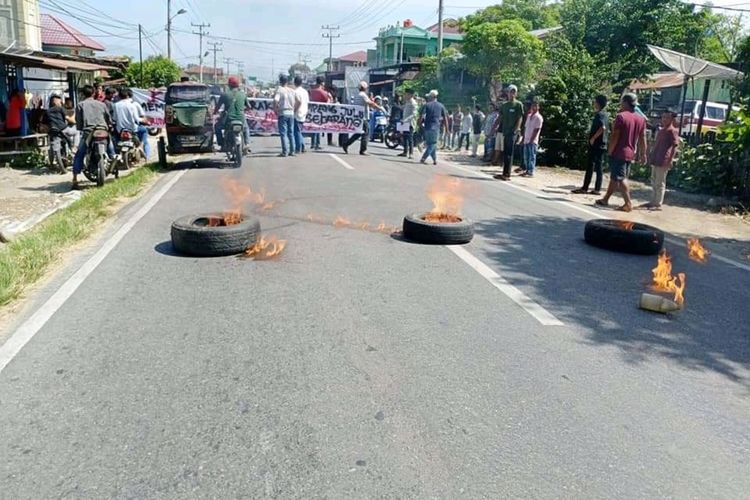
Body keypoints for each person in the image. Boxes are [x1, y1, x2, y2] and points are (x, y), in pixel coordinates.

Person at [595, 93, 647, 212]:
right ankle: (605, 199)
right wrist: (643, 154)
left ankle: (628, 203)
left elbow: (615, 136)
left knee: (621, 178)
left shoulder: (621, 116)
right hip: (630, 152)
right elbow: (642, 138)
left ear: (625, 102)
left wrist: (610, 149)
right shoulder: (641, 119)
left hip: (619, 152)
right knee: (615, 176)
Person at [72, 85, 112, 189]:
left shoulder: (80, 105)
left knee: (79, 154)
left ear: (82, 94)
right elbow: (108, 118)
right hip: (102, 130)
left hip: (89, 132)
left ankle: (75, 178)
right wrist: (108, 125)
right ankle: (114, 159)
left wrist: (81, 128)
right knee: (111, 146)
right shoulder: (102, 104)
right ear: (94, 93)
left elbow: (79, 123)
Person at [572, 95, 609, 195]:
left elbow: (603, 128)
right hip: (603, 144)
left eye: (595, 101)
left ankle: (585, 188)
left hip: (596, 144)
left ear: (598, 103)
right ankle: (597, 189)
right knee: (599, 166)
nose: (594, 103)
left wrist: (593, 138)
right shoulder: (605, 114)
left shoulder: (599, 115)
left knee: (590, 165)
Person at [645, 111, 679, 210]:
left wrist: (670, 160)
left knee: (660, 183)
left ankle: (658, 203)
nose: (664, 119)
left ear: (672, 119)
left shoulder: (672, 131)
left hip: (664, 159)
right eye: (663, 117)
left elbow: (675, 146)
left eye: (667, 118)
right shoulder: (661, 130)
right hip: (656, 158)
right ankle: (653, 201)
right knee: (654, 180)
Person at [342, 81, 384, 155]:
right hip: (363, 117)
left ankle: (346, 144)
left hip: (358, 116)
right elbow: (370, 103)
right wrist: (379, 108)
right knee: (366, 132)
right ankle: (363, 150)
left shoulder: (357, 95)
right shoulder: (363, 95)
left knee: (359, 133)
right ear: (364, 88)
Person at [493, 84, 524, 181]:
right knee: (505, 152)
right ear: (507, 93)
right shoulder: (505, 105)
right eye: (510, 91)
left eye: (514, 91)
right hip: (505, 132)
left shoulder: (518, 104)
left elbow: (520, 118)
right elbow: (500, 117)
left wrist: (516, 129)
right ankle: (504, 173)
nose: (512, 93)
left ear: (516, 93)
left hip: (512, 133)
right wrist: (494, 127)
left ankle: (507, 175)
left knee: (509, 153)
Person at [112, 87, 150, 160]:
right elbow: (136, 119)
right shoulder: (132, 105)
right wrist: (145, 121)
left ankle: (115, 156)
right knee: (144, 131)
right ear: (129, 95)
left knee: (115, 139)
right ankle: (145, 154)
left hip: (120, 130)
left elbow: (114, 119)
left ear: (120, 96)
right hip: (133, 129)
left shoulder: (115, 105)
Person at [216, 76, 249, 153]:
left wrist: (215, 113)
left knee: (217, 127)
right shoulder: (243, 94)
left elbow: (217, 107)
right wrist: (243, 110)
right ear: (238, 85)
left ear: (229, 85)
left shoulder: (224, 95)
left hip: (228, 119)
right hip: (241, 118)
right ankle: (247, 144)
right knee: (246, 128)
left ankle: (221, 144)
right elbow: (249, 107)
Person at [419, 90, 448, 166]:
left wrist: (419, 124)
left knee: (430, 144)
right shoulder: (441, 105)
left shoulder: (426, 105)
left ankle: (434, 159)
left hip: (427, 127)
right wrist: (447, 129)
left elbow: (421, 116)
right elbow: (445, 118)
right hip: (435, 128)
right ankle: (423, 158)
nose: (428, 98)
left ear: (432, 97)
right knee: (433, 144)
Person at [274, 74, 298, 157]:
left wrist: (275, 109)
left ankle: (285, 152)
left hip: (283, 113)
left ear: (280, 81)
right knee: (291, 133)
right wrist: (294, 109)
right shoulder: (292, 90)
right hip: (291, 113)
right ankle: (293, 151)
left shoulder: (280, 90)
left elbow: (275, 100)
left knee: (283, 133)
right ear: (287, 82)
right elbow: (298, 101)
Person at [45, 94, 68, 172]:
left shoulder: (47, 111)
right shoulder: (61, 109)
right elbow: (66, 117)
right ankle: (72, 150)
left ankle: (51, 163)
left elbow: (45, 122)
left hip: (52, 130)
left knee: (51, 145)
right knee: (70, 138)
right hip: (63, 129)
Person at [520, 101, 543, 177]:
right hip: (526, 139)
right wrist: (523, 139)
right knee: (526, 156)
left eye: (535, 106)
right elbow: (526, 128)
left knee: (531, 157)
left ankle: (530, 171)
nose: (533, 107)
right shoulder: (529, 116)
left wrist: (531, 140)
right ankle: (527, 170)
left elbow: (536, 130)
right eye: (533, 106)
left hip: (532, 140)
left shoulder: (539, 117)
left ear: (538, 107)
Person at [309, 76, 330, 150]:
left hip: (312, 111)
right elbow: (327, 101)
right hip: (320, 112)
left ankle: (313, 143)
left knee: (313, 128)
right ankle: (316, 144)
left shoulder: (312, 91)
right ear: (322, 83)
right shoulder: (323, 92)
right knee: (318, 128)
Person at [398, 88, 418, 159]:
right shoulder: (407, 102)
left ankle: (411, 153)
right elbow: (403, 109)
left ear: (410, 95)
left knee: (410, 138)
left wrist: (406, 120)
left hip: (410, 123)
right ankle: (405, 152)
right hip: (404, 122)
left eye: (406, 94)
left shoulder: (413, 103)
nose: (405, 95)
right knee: (404, 137)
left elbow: (414, 114)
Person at [293, 76, 310, 154]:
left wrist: (294, 111)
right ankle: (302, 146)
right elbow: (307, 102)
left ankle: (298, 148)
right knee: (299, 131)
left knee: (297, 131)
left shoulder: (295, 92)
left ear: (294, 83)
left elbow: (296, 102)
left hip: (297, 112)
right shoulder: (305, 92)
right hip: (304, 112)